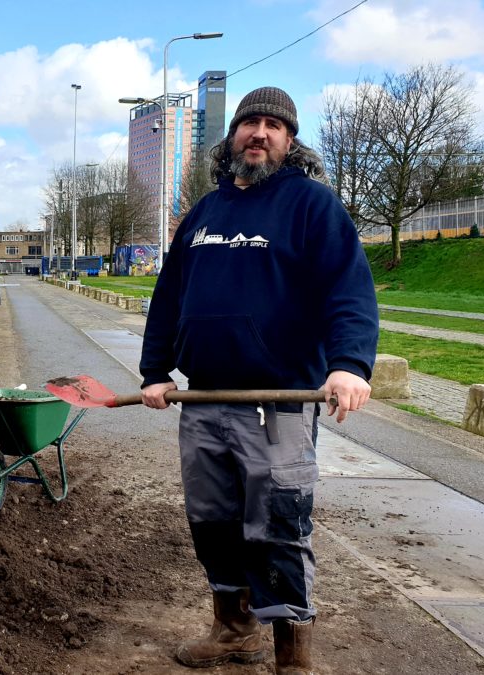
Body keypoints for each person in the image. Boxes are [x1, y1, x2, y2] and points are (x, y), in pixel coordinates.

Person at [137, 86, 378, 675]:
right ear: (234, 136)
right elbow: (170, 296)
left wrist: (350, 364)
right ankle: (234, 628)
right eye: (252, 123)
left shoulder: (311, 206)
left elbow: (348, 291)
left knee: (278, 528)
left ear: (289, 140)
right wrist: (155, 370)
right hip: (204, 402)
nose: (261, 133)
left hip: (278, 406)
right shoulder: (206, 212)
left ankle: (291, 658)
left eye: (274, 125)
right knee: (212, 523)